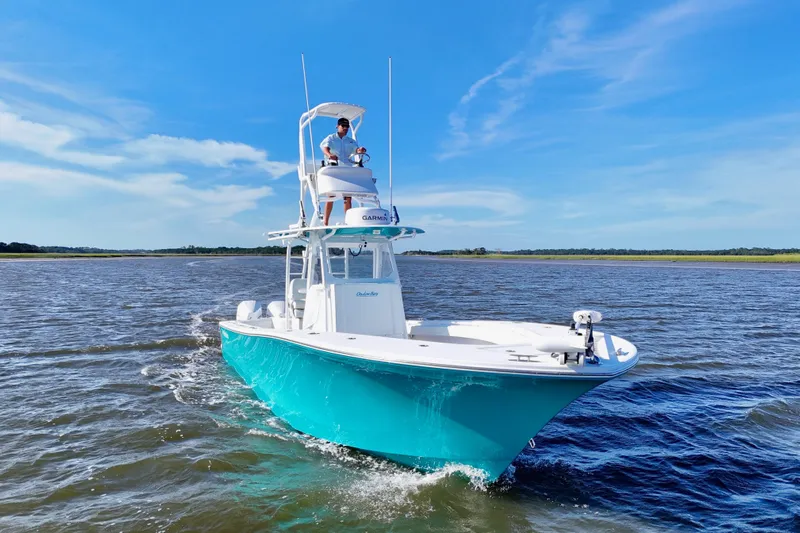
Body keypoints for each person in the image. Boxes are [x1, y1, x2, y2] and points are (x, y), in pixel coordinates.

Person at [320, 117, 367, 225]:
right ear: (337, 126)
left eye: (347, 126)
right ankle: (325, 222)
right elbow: (324, 148)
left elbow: (356, 150)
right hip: (333, 169)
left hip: (347, 170)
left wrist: (360, 150)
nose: (345, 128)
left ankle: (348, 222)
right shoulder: (331, 138)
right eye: (343, 126)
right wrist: (330, 155)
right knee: (331, 196)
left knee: (348, 197)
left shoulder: (351, 141)